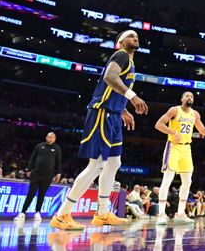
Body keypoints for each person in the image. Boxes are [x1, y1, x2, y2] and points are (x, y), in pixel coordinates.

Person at [50, 29, 148, 230]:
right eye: (130, 35)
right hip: (101, 113)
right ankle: (62, 214)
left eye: (137, 36)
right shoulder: (120, 55)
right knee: (96, 165)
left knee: (114, 163)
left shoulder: (130, 63)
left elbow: (112, 90)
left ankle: (103, 213)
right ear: (120, 42)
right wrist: (132, 96)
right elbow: (109, 78)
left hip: (113, 114)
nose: (135, 37)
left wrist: (122, 110)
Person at [154, 91, 205, 224]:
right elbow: (158, 125)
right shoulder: (174, 110)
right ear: (182, 98)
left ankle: (180, 213)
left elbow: (203, 131)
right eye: (187, 95)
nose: (189, 97)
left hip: (187, 148)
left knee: (187, 181)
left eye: (192, 96)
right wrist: (172, 132)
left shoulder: (195, 114)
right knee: (167, 180)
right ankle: (161, 213)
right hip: (173, 147)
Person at [14, 131, 62, 223]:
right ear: (46, 137)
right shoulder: (39, 146)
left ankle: (37, 213)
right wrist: (29, 169)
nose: (50, 139)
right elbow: (33, 158)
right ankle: (23, 213)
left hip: (48, 175)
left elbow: (58, 162)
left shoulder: (57, 149)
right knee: (30, 194)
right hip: (36, 174)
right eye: (49, 137)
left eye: (52, 137)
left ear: (55, 139)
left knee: (42, 194)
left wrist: (58, 173)